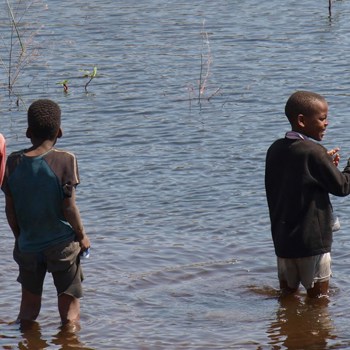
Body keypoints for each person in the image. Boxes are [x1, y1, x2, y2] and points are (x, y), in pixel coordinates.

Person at [1, 99, 90, 324]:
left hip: (28, 246)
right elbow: (69, 207)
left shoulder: (12, 163)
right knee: (70, 315)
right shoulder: (65, 160)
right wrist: (82, 236)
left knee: (28, 312)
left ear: (28, 131)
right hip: (62, 246)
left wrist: (19, 238)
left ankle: (26, 342)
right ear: (59, 132)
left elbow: (10, 210)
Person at [265, 90, 350, 298]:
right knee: (319, 300)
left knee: (287, 297)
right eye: (322, 118)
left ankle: (290, 328)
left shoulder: (275, 149)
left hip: (284, 244)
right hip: (312, 245)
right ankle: (313, 331)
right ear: (302, 121)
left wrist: (325, 165)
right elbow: (342, 187)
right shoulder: (313, 151)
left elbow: (297, 181)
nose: (326, 123)